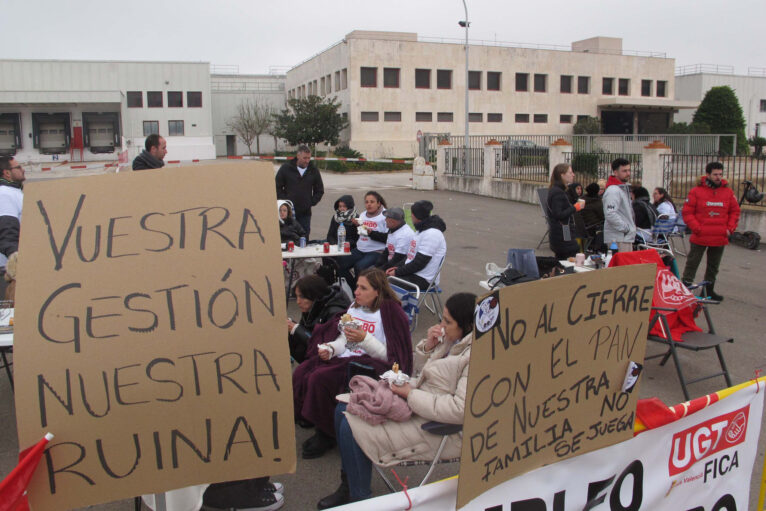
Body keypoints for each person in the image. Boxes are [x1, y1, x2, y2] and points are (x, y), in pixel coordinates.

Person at [317, 292, 477, 508]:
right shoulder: (452, 341)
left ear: (467, 325)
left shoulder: (475, 356)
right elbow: (427, 375)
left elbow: (459, 409)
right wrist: (429, 347)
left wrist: (409, 394)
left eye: (448, 321)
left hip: (439, 426)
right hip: (421, 404)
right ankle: (349, 486)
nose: (441, 325)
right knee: (343, 407)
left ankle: (360, 500)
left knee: (350, 427)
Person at [292, 268, 412, 459]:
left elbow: (391, 358)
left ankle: (326, 433)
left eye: (363, 288)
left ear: (377, 291)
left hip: (372, 365)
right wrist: (331, 348)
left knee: (319, 378)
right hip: (347, 357)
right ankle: (312, 417)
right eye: (357, 286)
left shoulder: (390, 313)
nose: (356, 292)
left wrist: (365, 338)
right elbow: (344, 341)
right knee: (303, 370)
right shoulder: (355, 309)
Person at [681, 162, 740, 301]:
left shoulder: (728, 192)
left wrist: (729, 229)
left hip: (719, 236)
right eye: (715, 174)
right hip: (700, 236)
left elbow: (735, 212)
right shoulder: (696, 191)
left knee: (713, 267)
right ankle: (684, 290)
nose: (718, 177)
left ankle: (708, 291)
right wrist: (697, 228)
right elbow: (688, 212)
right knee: (692, 264)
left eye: (720, 174)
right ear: (707, 175)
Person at [287, 275, 351, 364]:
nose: (298, 301)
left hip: (331, 357)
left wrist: (295, 328)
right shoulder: (313, 304)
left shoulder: (334, 311)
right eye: (297, 297)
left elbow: (324, 346)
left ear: (313, 294)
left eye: (302, 297)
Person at [385, 200, 446, 291]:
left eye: (412, 213)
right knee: (380, 277)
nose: (410, 216)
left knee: (384, 284)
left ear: (416, 216)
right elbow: (410, 256)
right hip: (415, 273)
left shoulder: (432, 234)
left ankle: (395, 304)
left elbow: (419, 264)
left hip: (423, 279)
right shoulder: (421, 230)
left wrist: (397, 272)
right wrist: (397, 267)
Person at [338, 191, 388, 285]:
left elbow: (388, 238)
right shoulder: (363, 215)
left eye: (372, 202)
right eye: (366, 202)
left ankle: (360, 291)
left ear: (378, 203)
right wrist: (357, 225)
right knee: (340, 263)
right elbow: (362, 233)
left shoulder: (384, 216)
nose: (369, 204)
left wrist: (371, 233)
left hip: (376, 251)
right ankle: (353, 289)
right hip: (361, 249)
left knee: (359, 267)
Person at [275, 145, 324, 237]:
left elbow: (319, 190)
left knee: (304, 237)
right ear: (298, 156)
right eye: (304, 158)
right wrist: (285, 201)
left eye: (309, 158)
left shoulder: (313, 170)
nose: (307, 161)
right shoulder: (286, 168)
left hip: (305, 213)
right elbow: (276, 187)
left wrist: (311, 202)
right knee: (288, 237)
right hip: (288, 213)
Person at [546, 163, 583, 260]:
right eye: (570, 172)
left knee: (563, 260)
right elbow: (558, 214)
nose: (573, 175)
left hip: (563, 232)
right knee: (571, 258)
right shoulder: (557, 192)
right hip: (562, 232)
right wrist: (575, 207)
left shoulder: (559, 190)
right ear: (562, 175)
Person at [0, 157, 24, 302]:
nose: (23, 170)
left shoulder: (12, 193)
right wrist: (17, 261)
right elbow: (7, 229)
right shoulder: (4, 194)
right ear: (7, 173)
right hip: (7, 272)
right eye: (18, 167)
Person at [602, 157, 635, 252]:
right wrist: (626, 228)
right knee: (622, 266)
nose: (628, 173)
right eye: (624, 171)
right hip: (618, 238)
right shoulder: (613, 190)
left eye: (629, 170)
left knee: (626, 266)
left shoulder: (622, 189)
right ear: (615, 172)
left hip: (623, 237)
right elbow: (610, 213)